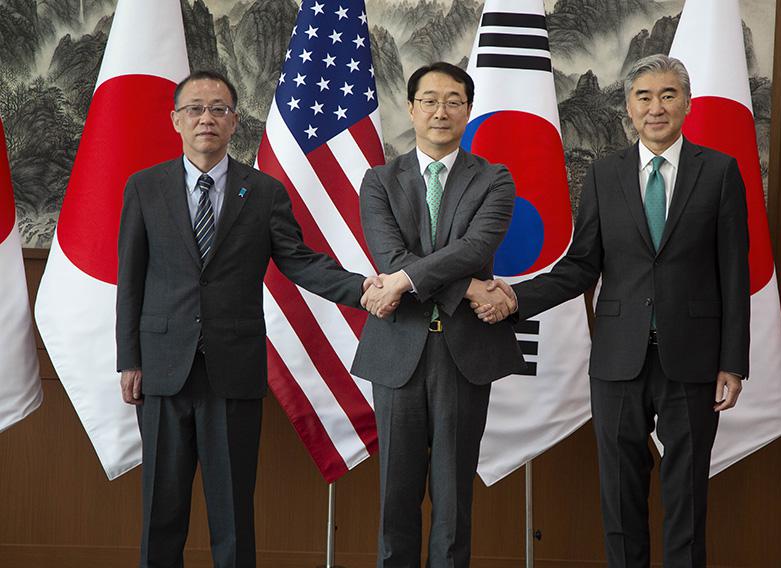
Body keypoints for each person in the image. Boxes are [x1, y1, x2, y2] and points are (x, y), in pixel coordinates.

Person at [476, 54, 750, 568]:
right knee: (620, 503)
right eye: (644, 97)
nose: (656, 107)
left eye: (668, 95)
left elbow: (734, 274)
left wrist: (732, 362)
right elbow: (581, 266)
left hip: (692, 362)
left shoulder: (719, 172)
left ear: (687, 103)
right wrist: (516, 298)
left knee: (687, 499)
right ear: (628, 108)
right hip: (617, 362)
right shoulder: (605, 174)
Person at [115, 70, 379, 568]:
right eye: (194, 109)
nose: (206, 118)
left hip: (233, 372)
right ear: (176, 121)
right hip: (161, 370)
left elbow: (299, 260)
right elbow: (131, 281)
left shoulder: (263, 192)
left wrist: (361, 289)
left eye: (218, 108)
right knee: (161, 510)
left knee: (233, 511)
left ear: (235, 121)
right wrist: (129, 359)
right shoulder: (145, 188)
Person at [352, 61, 525, 567]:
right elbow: (389, 256)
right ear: (410, 108)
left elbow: (476, 246)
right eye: (429, 100)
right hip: (396, 351)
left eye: (453, 100)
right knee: (395, 494)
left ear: (468, 109)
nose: (441, 110)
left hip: (463, 352)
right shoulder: (380, 179)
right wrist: (468, 286)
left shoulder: (494, 178)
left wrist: (407, 282)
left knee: (453, 497)